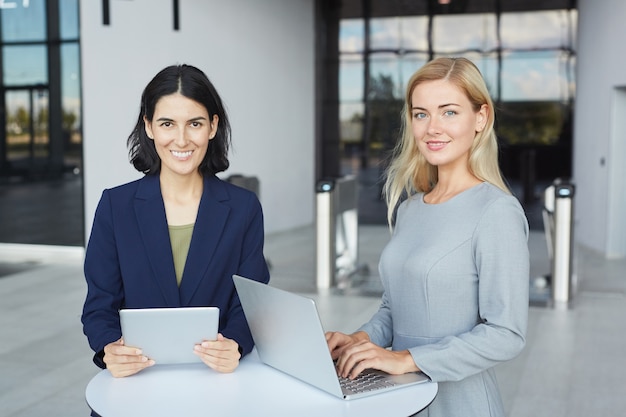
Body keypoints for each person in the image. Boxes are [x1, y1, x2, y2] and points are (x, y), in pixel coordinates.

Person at [325, 57, 529, 417]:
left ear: (480, 118)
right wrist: (360, 340)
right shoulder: (411, 209)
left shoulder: (496, 212)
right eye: (421, 114)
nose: (432, 127)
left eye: (449, 112)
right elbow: (395, 308)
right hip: (402, 397)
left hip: (460, 403)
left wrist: (406, 359)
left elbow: (506, 333)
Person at [81, 64, 270, 379]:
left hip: (216, 378)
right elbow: (99, 305)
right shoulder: (116, 206)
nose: (181, 140)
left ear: (212, 126)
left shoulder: (243, 208)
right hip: (137, 378)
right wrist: (109, 348)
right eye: (167, 123)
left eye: (194, 123)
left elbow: (251, 304)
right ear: (149, 127)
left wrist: (235, 343)